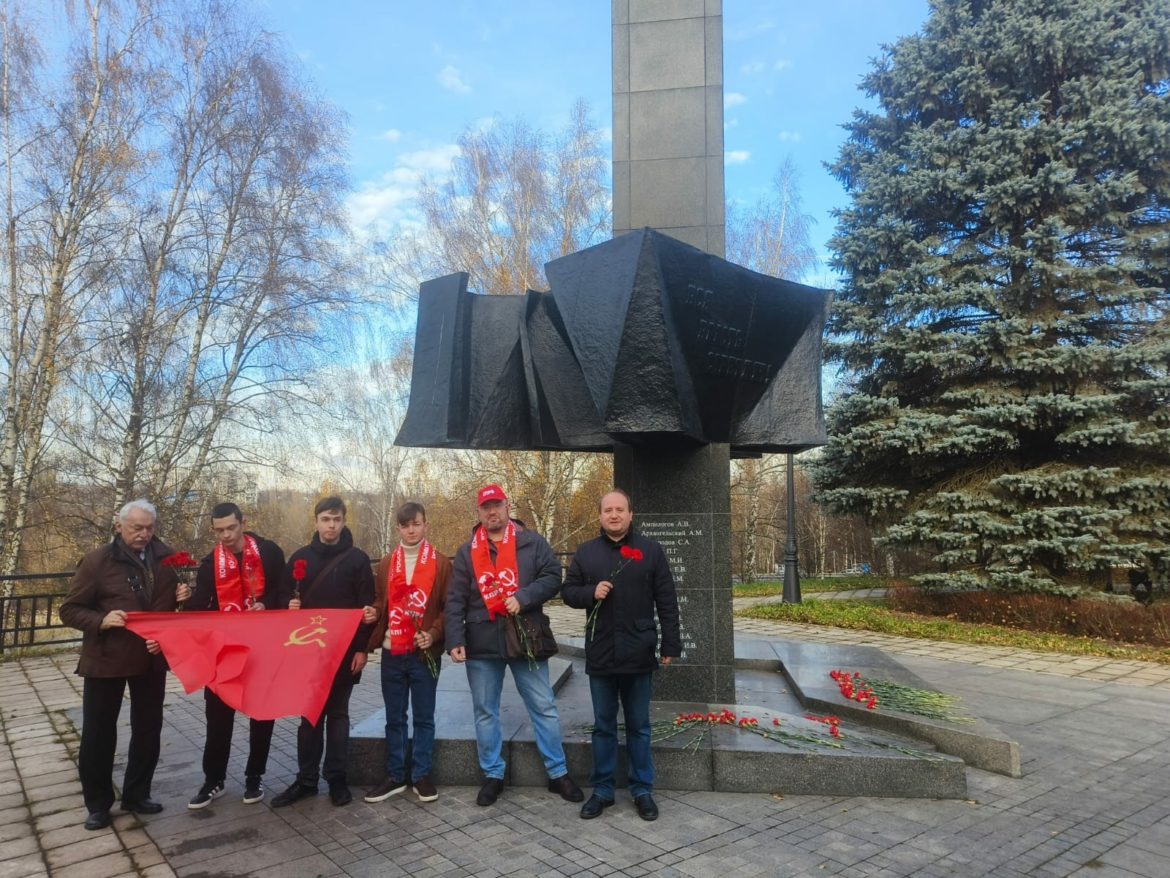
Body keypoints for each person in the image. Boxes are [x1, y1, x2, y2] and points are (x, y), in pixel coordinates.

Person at [445, 484, 584, 807]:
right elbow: (455, 599)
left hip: (526, 638)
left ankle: (558, 773)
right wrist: (454, 639)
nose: (492, 511)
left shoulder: (532, 543)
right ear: (479, 512)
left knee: (543, 706)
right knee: (485, 711)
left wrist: (524, 597)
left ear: (507, 506)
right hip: (481, 641)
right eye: (485, 507)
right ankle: (493, 775)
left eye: (497, 505)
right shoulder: (467, 552)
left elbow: (553, 577)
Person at [58, 499, 190, 831]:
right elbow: (69, 610)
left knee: (148, 730)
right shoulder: (97, 561)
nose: (144, 534)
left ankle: (137, 794)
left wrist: (183, 598)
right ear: (119, 526)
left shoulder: (166, 558)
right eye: (136, 528)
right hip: (107, 659)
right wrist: (101, 620)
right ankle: (98, 804)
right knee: (99, 733)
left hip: (150, 658)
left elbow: (170, 609)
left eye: (149, 528)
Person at [561, 488, 680, 822]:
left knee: (639, 726)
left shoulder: (651, 551)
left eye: (620, 509)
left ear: (630, 514)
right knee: (603, 726)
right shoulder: (586, 552)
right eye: (608, 510)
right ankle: (602, 790)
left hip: (639, 651)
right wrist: (590, 592)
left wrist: (670, 645)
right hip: (601, 652)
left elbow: (667, 600)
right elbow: (567, 592)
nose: (614, 515)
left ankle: (642, 790)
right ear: (600, 516)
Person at [270, 496, 375, 808]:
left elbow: (366, 608)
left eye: (337, 519)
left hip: (344, 652)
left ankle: (337, 779)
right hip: (308, 652)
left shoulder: (357, 560)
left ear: (344, 521)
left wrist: (362, 649)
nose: (331, 526)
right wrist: (287, 605)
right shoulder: (299, 559)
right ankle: (306, 780)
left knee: (338, 716)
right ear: (316, 521)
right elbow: (280, 597)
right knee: (310, 716)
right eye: (326, 520)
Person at [185, 502, 286, 809]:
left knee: (261, 714)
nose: (226, 535)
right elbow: (201, 606)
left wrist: (267, 604)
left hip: (263, 649)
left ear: (244, 523)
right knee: (217, 718)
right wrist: (183, 601)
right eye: (219, 530)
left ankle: (254, 777)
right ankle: (213, 780)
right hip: (225, 651)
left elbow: (284, 591)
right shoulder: (210, 563)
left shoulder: (269, 552)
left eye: (231, 527)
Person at [363, 501, 451, 805]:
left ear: (426, 525)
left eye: (416, 524)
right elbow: (381, 600)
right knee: (394, 717)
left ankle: (421, 775)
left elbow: (449, 608)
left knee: (424, 717)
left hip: (424, 652)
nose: (411, 530)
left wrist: (434, 633)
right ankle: (396, 775)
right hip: (393, 652)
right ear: (398, 528)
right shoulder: (388, 562)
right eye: (405, 525)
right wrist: (374, 612)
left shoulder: (441, 563)